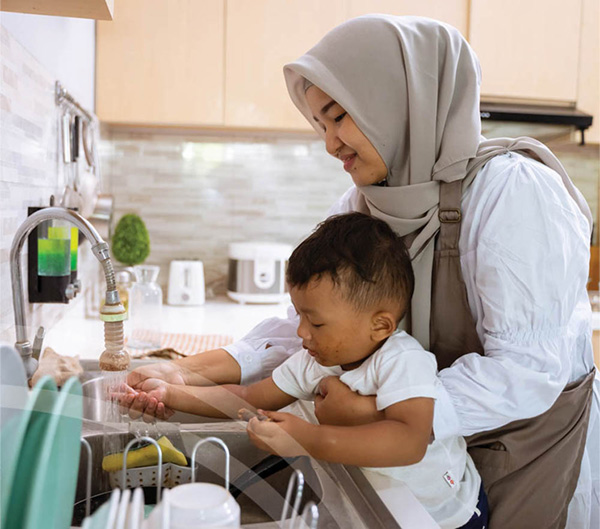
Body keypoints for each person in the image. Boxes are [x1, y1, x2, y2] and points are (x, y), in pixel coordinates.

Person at [123, 15, 598, 529]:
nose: (330, 143)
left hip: (519, 449)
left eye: (339, 117)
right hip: (415, 458)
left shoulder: (513, 192)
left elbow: (525, 371)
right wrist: (184, 374)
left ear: (397, 100)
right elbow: (310, 331)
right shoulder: (367, 202)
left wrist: (381, 417)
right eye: (320, 124)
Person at [123, 212, 489, 529]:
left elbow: (409, 443)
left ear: (380, 325)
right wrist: (171, 392)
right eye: (299, 315)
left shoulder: (402, 361)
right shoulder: (315, 360)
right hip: (384, 504)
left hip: (447, 517)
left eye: (315, 322)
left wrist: (307, 439)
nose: (301, 333)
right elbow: (250, 398)